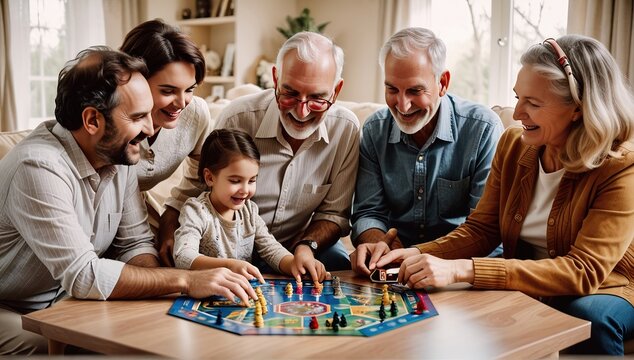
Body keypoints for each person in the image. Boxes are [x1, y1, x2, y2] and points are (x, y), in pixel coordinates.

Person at [368, 35, 634, 355]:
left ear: (577, 109)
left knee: (591, 318)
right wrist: (416, 255)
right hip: (529, 282)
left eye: (533, 103)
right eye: (517, 97)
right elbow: (482, 229)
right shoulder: (513, 144)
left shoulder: (621, 169)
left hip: (612, 288)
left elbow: (583, 271)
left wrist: (462, 269)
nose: (518, 112)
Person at [0, 47, 257, 355]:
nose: (150, 129)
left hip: (64, 302)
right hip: (9, 307)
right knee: (64, 347)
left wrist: (156, 298)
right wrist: (186, 280)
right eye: (138, 117)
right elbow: (85, 276)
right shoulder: (39, 166)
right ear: (92, 120)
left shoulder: (117, 156)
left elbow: (135, 244)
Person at [350, 27, 503, 275]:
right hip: (396, 267)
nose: (402, 105)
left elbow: (484, 229)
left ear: (442, 83)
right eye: (392, 90)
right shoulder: (374, 130)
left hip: (460, 267)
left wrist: (418, 255)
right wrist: (379, 243)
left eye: (414, 91)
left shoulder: (483, 129)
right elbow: (369, 212)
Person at [208, 31, 360, 272]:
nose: (302, 112)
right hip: (236, 244)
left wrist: (306, 245)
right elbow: (202, 195)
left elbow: (334, 214)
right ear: (276, 79)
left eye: (317, 98)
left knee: (339, 264)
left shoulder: (346, 129)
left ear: (336, 90)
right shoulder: (237, 119)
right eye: (290, 93)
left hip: (300, 242)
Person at [173, 129, 329, 282]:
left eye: (252, 180)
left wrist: (295, 264)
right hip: (206, 291)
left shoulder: (249, 210)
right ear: (209, 178)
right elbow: (183, 256)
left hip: (242, 292)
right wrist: (229, 265)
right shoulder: (196, 211)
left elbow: (271, 249)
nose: (245, 190)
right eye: (235, 181)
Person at [120, 19, 212, 266]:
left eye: (190, 89)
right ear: (135, 81)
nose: (181, 103)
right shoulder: (113, 124)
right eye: (168, 91)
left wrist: (171, 218)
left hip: (139, 214)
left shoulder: (195, 114)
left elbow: (201, 177)